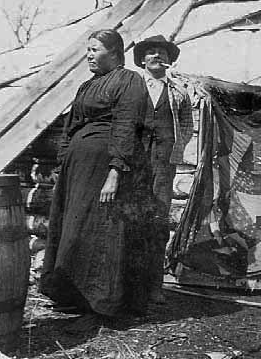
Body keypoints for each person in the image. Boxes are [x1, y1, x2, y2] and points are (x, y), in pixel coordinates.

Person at [40, 29, 155, 325]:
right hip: (77, 170)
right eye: (88, 50)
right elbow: (71, 126)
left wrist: (115, 171)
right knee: (73, 228)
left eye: (95, 50)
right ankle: (72, 296)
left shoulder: (130, 80)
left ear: (115, 53)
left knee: (102, 230)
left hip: (105, 167)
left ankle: (102, 304)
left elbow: (126, 126)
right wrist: (63, 162)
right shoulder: (86, 86)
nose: (88, 55)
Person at [133, 35, 193, 304]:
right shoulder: (131, 86)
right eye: (151, 52)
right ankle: (126, 286)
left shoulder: (178, 91)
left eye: (162, 53)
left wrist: (174, 151)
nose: (157, 56)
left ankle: (153, 286)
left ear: (169, 60)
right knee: (129, 220)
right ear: (142, 59)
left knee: (157, 222)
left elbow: (188, 125)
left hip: (163, 165)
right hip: (133, 164)